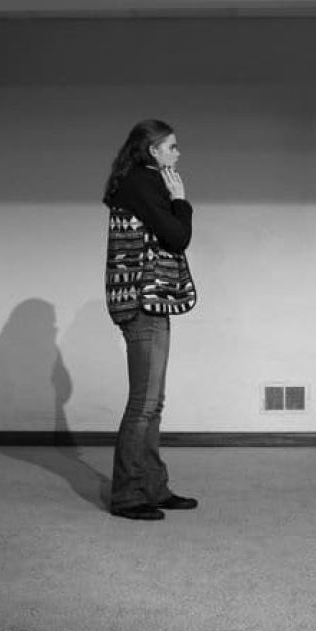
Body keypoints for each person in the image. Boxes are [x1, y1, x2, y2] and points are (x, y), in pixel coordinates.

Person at [103, 119, 198, 520]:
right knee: (144, 403)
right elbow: (177, 237)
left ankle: (154, 487)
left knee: (153, 403)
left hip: (149, 300)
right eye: (172, 147)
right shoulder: (144, 183)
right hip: (144, 301)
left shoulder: (135, 182)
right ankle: (127, 495)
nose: (178, 153)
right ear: (152, 149)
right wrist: (181, 200)